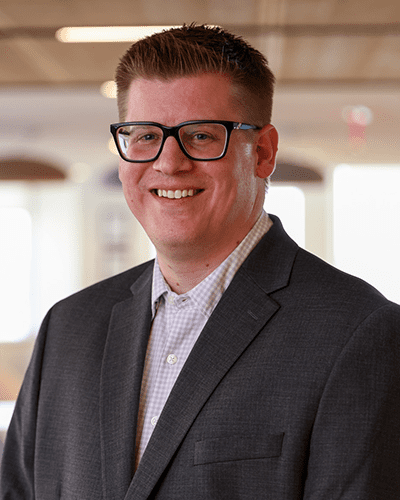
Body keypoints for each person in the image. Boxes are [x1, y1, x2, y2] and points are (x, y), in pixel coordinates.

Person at [1, 24, 400, 500]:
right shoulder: (68, 327)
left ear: (263, 153)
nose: (169, 163)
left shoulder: (359, 334)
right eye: (145, 135)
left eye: (202, 136)